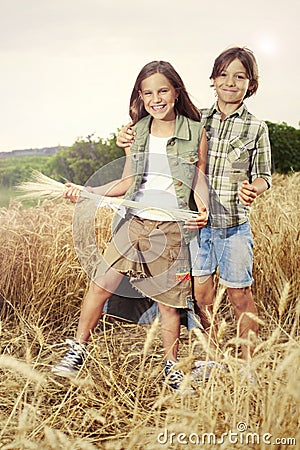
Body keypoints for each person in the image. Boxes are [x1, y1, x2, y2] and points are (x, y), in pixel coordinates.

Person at [52, 60, 208, 392]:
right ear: (141, 95)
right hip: (135, 222)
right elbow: (128, 180)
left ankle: (172, 367)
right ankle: (76, 351)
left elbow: (199, 177)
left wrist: (204, 205)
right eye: (148, 92)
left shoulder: (195, 131)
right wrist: (90, 192)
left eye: (163, 90)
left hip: (171, 229)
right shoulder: (136, 132)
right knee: (100, 284)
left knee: (169, 304)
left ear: (176, 91)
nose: (156, 98)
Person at [117, 47, 272, 374]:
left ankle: (247, 366)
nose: (231, 82)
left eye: (240, 76)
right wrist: (126, 135)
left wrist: (253, 188)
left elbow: (264, 176)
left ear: (251, 84)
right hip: (195, 227)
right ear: (213, 80)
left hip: (233, 226)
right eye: (224, 75)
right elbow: (152, 129)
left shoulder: (257, 128)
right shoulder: (195, 119)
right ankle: (214, 357)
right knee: (202, 297)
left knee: (239, 294)